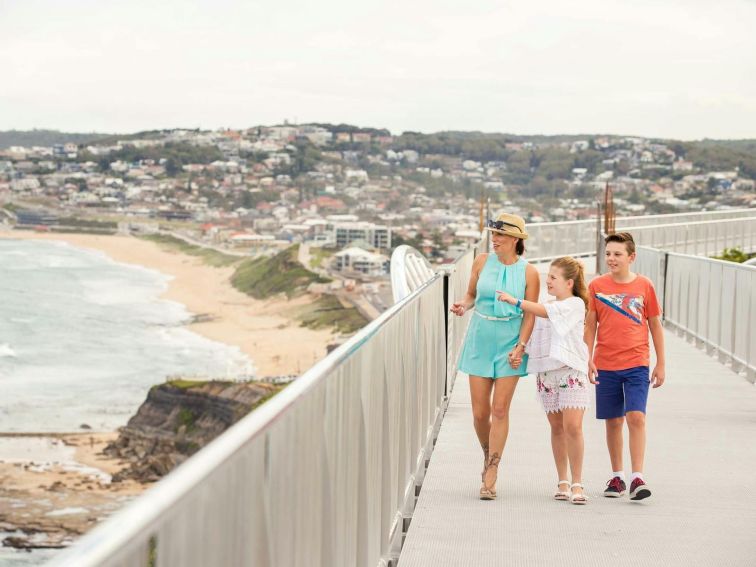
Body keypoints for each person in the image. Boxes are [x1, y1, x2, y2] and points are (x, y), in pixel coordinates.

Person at [450, 213, 540, 500]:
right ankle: (488, 451)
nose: (495, 239)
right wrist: (463, 305)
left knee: (500, 409)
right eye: (494, 234)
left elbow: (530, 312)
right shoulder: (481, 261)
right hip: (481, 338)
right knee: (480, 413)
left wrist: (522, 345)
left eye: (500, 235)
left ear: (516, 239)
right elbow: (470, 294)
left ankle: (492, 469)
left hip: (511, 343)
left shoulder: (529, 272)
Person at [497, 256, 590, 505]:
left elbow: (545, 312)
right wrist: (519, 352)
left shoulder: (575, 304)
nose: (547, 281)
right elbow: (532, 333)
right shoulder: (545, 306)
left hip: (570, 372)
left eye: (552, 277)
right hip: (547, 374)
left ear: (569, 282)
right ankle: (562, 480)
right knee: (557, 428)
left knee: (573, 427)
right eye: (547, 276)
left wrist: (514, 300)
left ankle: (578, 482)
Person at [585, 232, 665, 501]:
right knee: (613, 421)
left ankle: (637, 478)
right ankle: (617, 476)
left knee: (636, 417)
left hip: (637, 363)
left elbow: (655, 324)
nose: (612, 258)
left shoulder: (644, 286)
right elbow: (590, 324)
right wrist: (587, 357)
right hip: (606, 363)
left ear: (631, 257)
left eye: (617, 254)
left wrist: (661, 363)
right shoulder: (596, 285)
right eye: (608, 253)